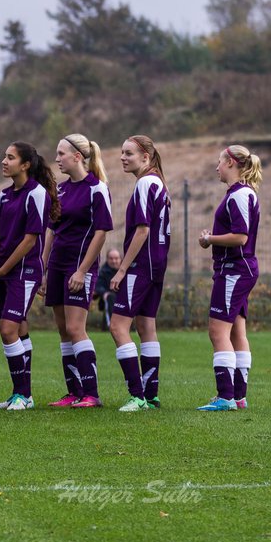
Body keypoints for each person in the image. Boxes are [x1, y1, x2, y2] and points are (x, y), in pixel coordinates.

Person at [0, 142, 59, 411]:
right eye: (4, 156)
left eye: (11, 157)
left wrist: (3, 270)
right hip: (4, 271)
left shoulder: (37, 194)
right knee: (20, 328)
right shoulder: (5, 195)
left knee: (7, 329)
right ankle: (22, 395)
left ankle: (22, 394)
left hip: (25, 272)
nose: (4, 161)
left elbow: (30, 240)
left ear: (25, 165)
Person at [42, 133, 113, 409]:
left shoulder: (97, 188)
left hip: (78, 267)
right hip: (57, 266)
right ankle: (73, 392)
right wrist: (44, 269)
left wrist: (82, 271)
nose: (57, 159)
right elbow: (51, 230)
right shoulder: (60, 189)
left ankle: (91, 393)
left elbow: (101, 233)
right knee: (63, 330)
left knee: (75, 328)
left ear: (78, 157)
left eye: (61, 154)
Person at [107, 136, 170, 412]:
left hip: (141, 266)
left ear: (146, 157)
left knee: (118, 327)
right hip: (156, 265)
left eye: (129, 153)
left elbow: (142, 230)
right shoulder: (157, 182)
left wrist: (122, 268)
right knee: (146, 328)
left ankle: (137, 395)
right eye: (121, 152)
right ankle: (151, 395)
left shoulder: (145, 183)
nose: (122, 157)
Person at [198, 144, 262, 411]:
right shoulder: (242, 194)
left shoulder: (239, 195)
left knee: (217, 331)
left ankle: (226, 397)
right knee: (237, 331)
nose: (217, 167)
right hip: (238, 269)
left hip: (234, 270)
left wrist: (209, 239)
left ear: (232, 164)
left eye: (220, 162)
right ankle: (238, 397)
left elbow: (241, 236)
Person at [94, 249, 122, 329]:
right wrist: (104, 293)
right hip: (108, 298)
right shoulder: (102, 271)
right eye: (111, 258)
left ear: (120, 259)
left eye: (116, 258)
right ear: (107, 259)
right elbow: (98, 286)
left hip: (123, 297)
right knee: (110, 297)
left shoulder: (125, 271)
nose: (114, 261)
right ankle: (110, 326)